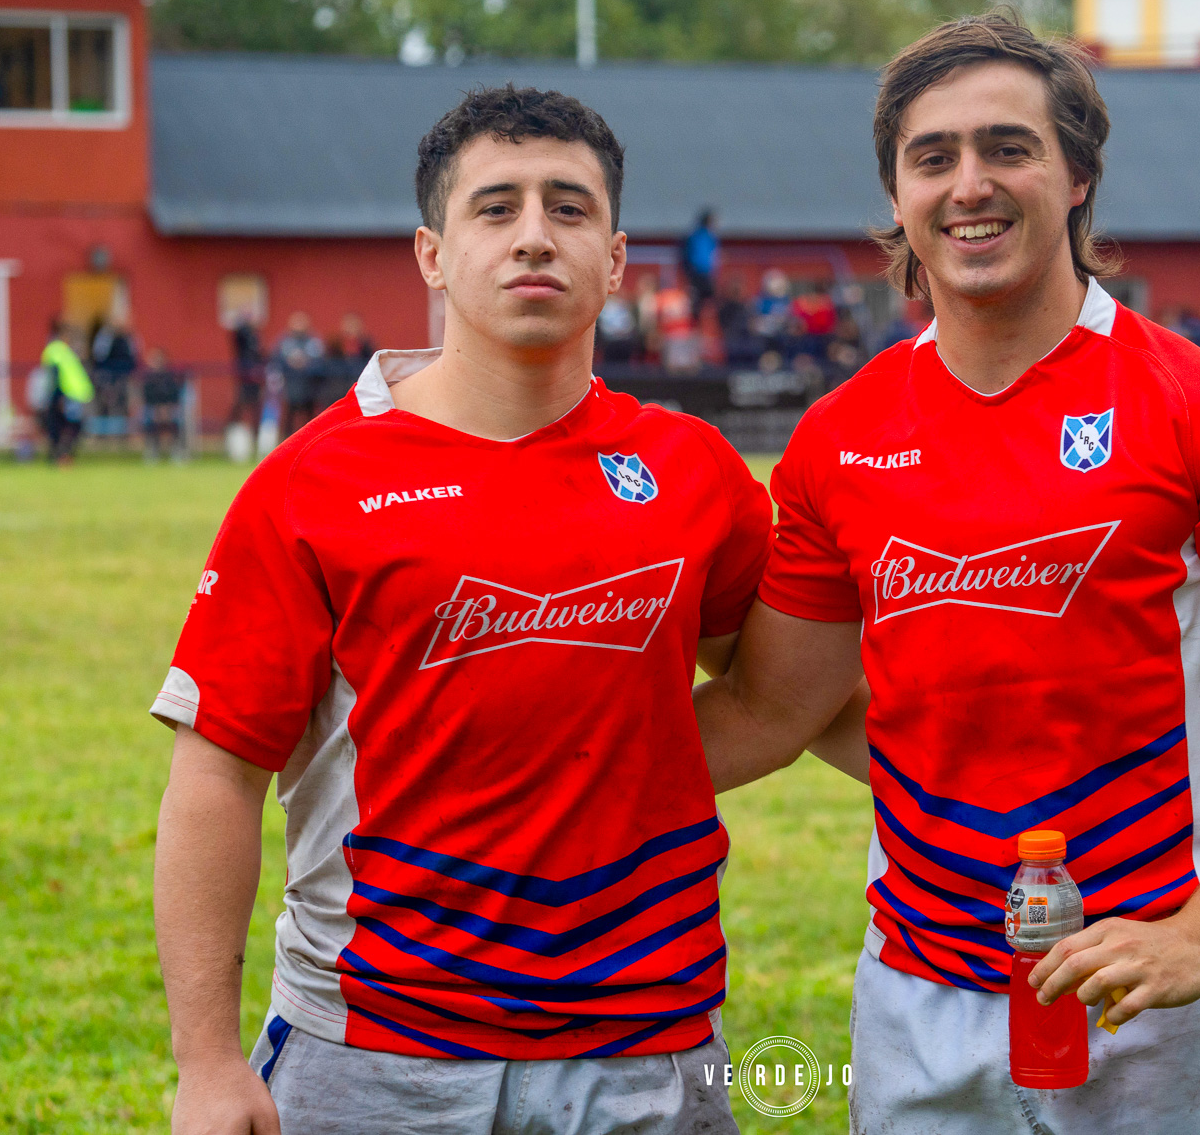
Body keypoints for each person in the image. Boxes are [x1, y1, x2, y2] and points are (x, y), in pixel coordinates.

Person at [693, 13, 1200, 1135]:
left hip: (1156, 999)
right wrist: (526, 767)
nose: (970, 183)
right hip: (921, 1001)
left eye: (1007, 147)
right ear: (896, 199)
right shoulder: (836, 441)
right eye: (934, 157)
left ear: (1076, 177)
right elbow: (780, 705)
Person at [150, 84, 804, 1135]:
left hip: (647, 1039)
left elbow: (792, 691)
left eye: (569, 208)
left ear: (619, 257)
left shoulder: (689, 471)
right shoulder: (315, 482)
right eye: (496, 208)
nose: (535, 237)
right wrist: (207, 1062)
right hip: (373, 1047)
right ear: (432, 255)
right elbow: (216, 774)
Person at [39, 319, 93, 465]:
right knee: (70, 426)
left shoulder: (63, 349)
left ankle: (61, 456)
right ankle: (62, 456)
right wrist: (58, 397)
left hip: (72, 394)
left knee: (66, 426)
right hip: (67, 395)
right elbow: (55, 375)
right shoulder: (56, 349)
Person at [271, 311, 324, 438]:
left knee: (310, 418)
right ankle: (285, 441)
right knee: (290, 416)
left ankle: (311, 440)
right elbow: (276, 360)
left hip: (309, 387)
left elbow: (320, 361)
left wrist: (305, 365)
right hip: (291, 386)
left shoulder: (313, 341)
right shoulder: (284, 341)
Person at [91, 305, 140, 435]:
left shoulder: (130, 337)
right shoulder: (105, 336)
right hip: (107, 378)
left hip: (125, 377)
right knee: (105, 406)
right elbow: (98, 357)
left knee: (124, 407)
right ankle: (104, 435)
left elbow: (136, 357)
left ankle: (123, 434)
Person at [317, 312, 376, 406]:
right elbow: (327, 366)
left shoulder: (366, 346)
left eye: (354, 325)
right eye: (348, 325)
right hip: (336, 391)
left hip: (359, 391)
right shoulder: (334, 344)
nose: (351, 329)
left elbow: (370, 366)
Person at [141, 348, 187, 462]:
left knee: (175, 419)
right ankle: (153, 451)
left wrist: (166, 407)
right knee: (151, 419)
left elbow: (174, 394)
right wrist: (158, 408)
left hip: (169, 408)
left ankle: (177, 451)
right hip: (153, 408)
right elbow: (147, 396)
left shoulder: (170, 377)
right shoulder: (147, 378)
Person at [227, 313, 265, 430]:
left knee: (255, 402)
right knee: (243, 400)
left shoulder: (255, 335)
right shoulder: (243, 333)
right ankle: (232, 426)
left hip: (255, 372)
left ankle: (255, 428)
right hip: (246, 372)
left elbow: (258, 352)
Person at [682, 208, 720, 308]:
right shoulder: (707, 236)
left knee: (698, 300)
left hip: (697, 272)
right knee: (707, 299)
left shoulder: (694, 236)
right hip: (702, 272)